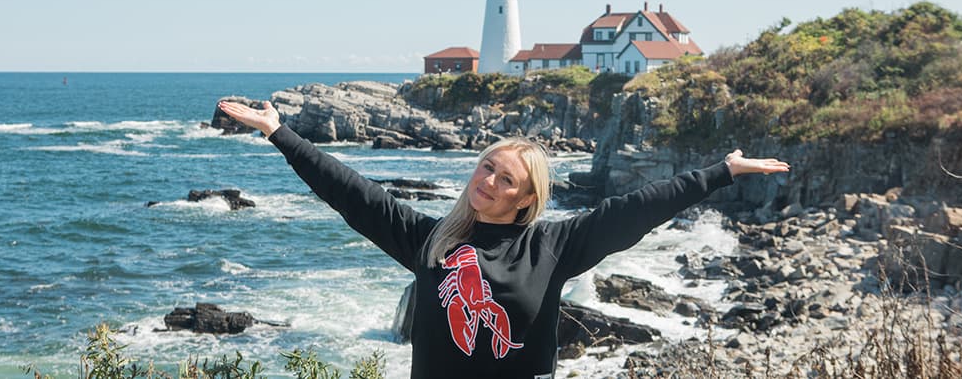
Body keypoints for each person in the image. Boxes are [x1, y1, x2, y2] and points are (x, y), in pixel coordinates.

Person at [218, 100, 789, 379]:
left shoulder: (553, 247)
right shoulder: (431, 242)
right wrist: (279, 132)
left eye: (506, 178)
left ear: (526, 198)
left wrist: (721, 172)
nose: (487, 181)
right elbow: (352, 191)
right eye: (486, 167)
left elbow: (633, 210)